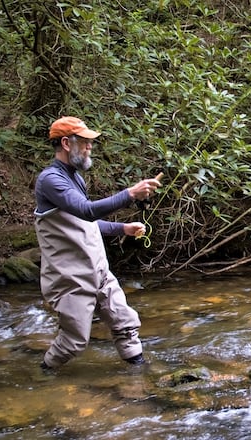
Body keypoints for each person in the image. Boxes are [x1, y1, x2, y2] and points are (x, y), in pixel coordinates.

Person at [34, 116, 161, 372]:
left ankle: (141, 377)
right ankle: (42, 378)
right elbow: (87, 211)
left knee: (125, 323)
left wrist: (122, 229)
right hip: (71, 278)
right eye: (86, 142)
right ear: (67, 143)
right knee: (73, 342)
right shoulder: (50, 180)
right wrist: (130, 194)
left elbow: (83, 223)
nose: (90, 147)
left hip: (98, 270)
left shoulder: (75, 178)